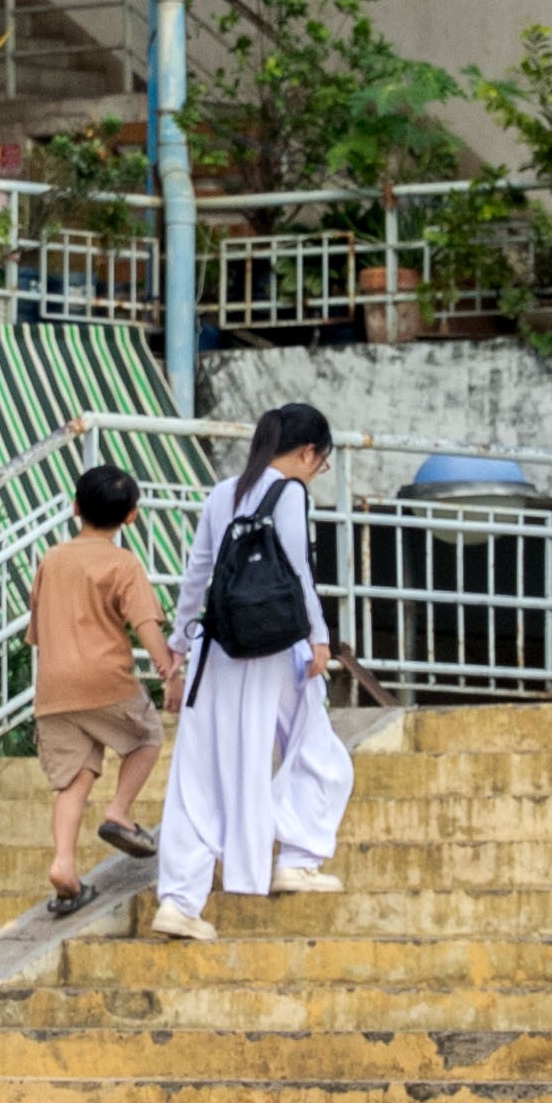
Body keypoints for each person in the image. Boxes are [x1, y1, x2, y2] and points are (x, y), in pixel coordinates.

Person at [150, 403, 354, 943]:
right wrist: (319, 637)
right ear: (308, 453)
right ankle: (298, 857)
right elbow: (298, 571)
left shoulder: (222, 492)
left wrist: (176, 649)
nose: (316, 473)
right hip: (272, 652)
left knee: (198, 776)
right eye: (320, 463)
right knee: (317, 752)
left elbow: (197, 575)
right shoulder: (289, 493)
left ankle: (179, 900)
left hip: (216, 650)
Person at [26, 460, 171, 904]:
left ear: (74, 507)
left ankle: (63, 864)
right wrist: (168, 667)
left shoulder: (52, 558)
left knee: (74, 780)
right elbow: (144, 621)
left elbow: (35, 628)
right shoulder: (123, 563)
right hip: (106, 682)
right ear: (132, 515)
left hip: (53, 689)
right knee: (147, 736)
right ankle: (119, 813)